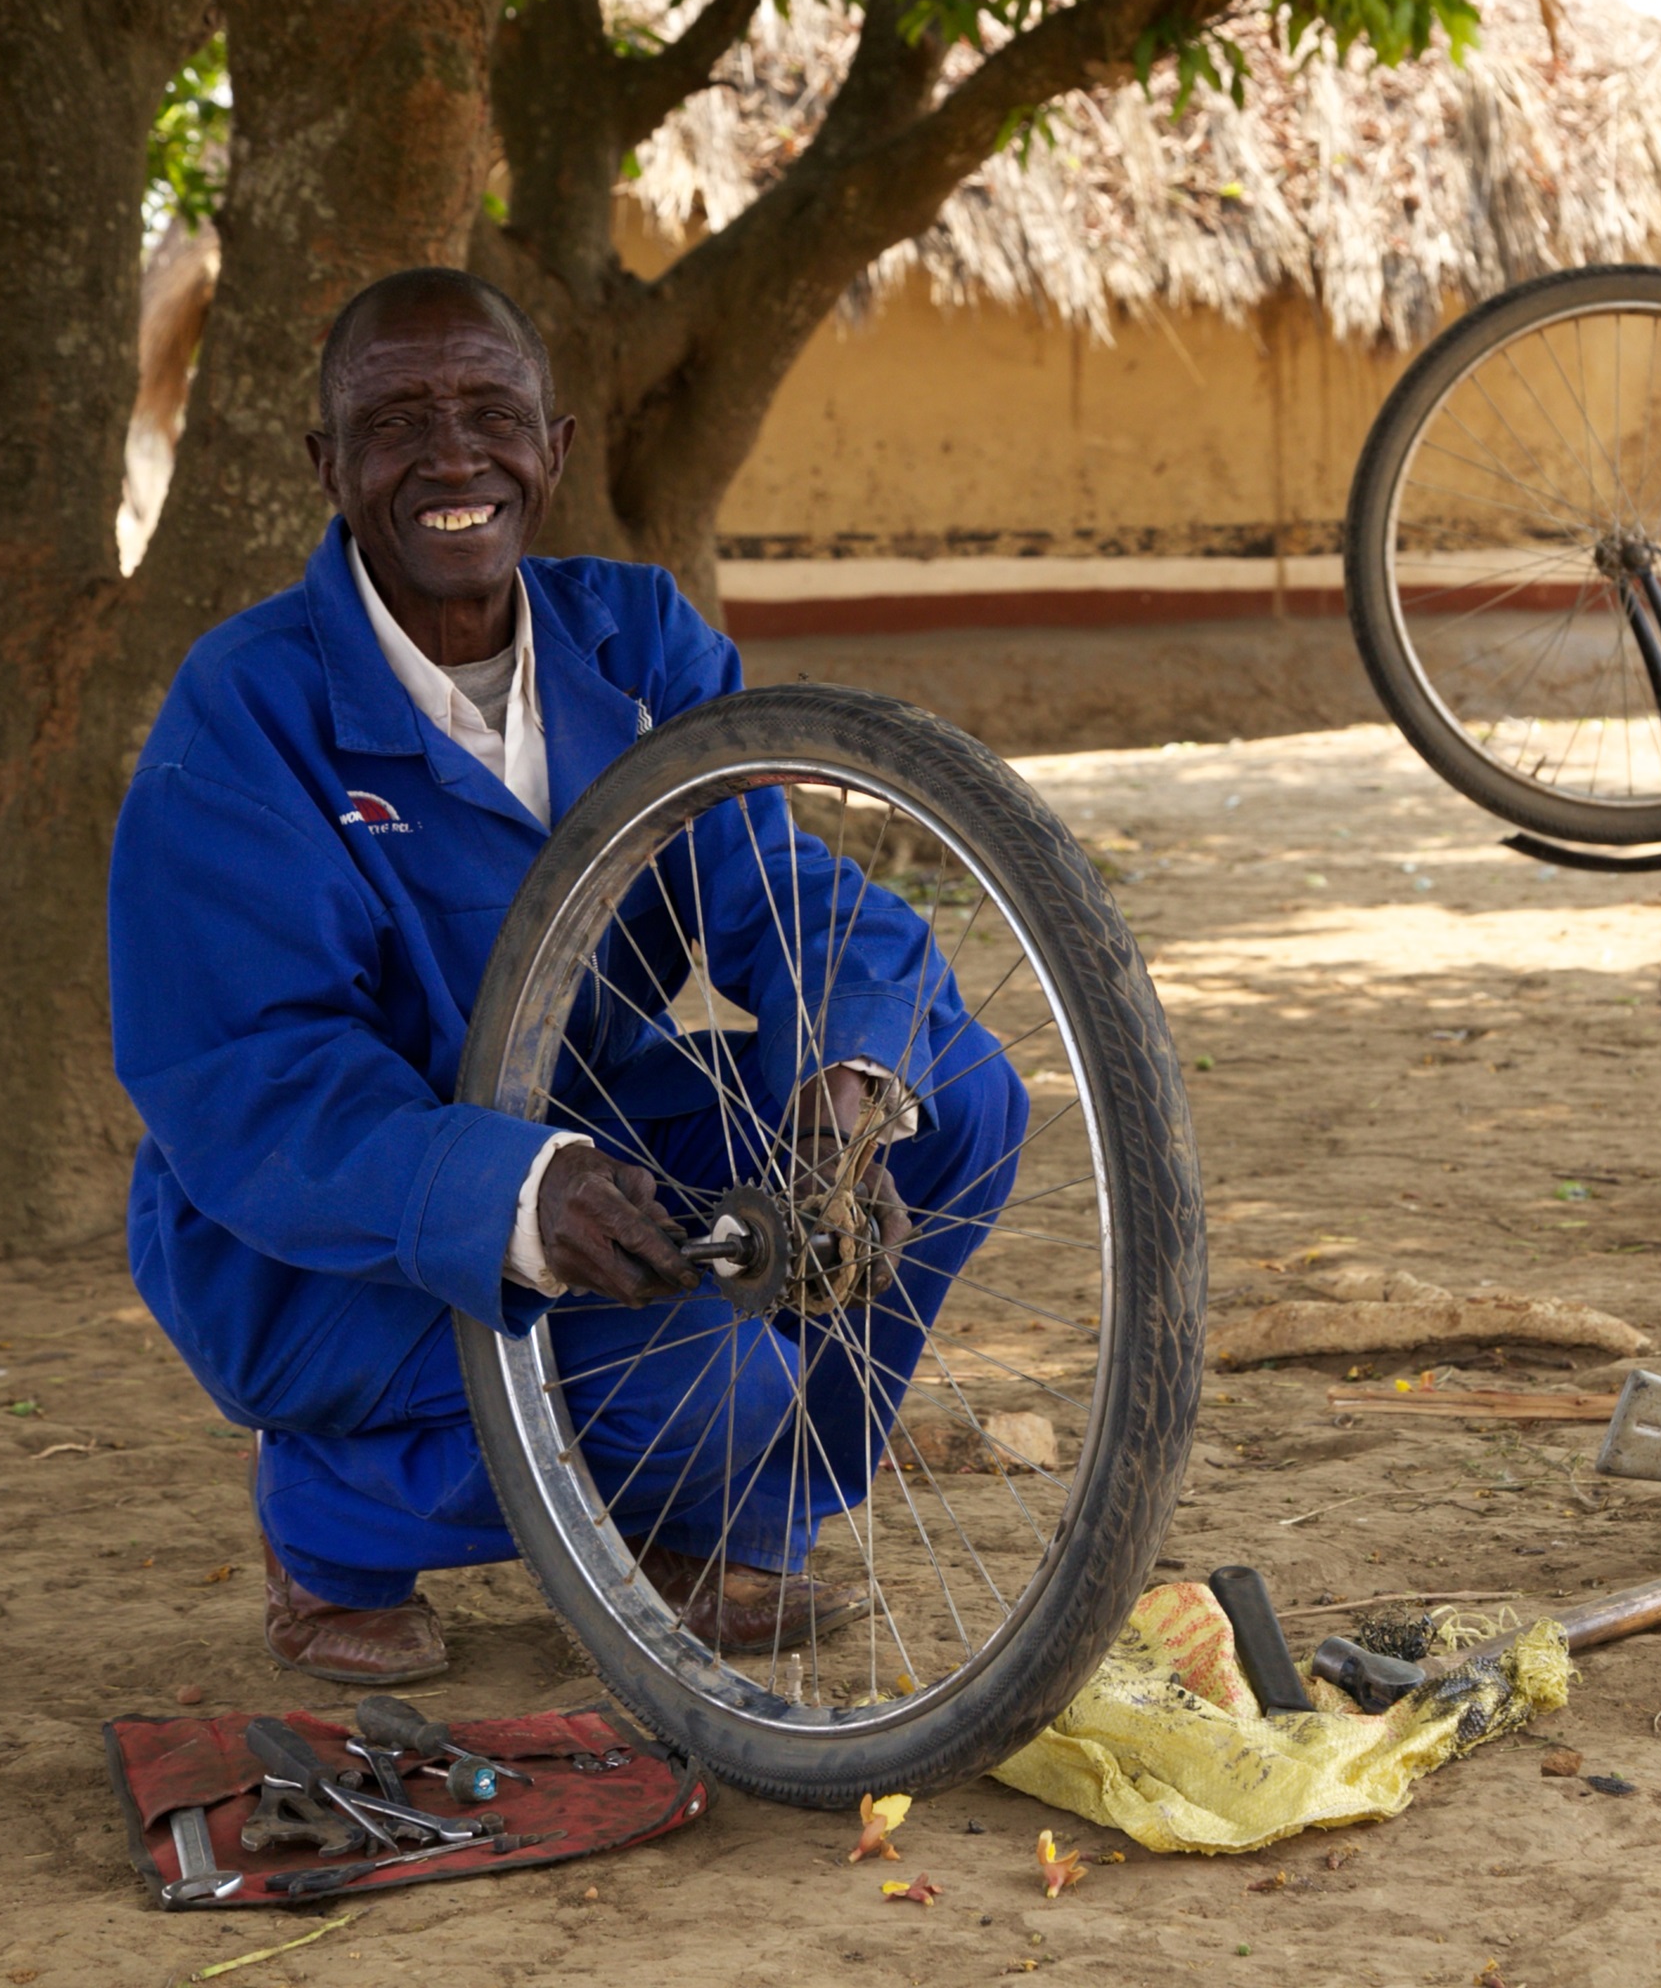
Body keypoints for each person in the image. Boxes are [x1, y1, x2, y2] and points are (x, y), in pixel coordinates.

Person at [109, 268, 1019, 1685]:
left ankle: (742, 1517)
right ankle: (330, 1522)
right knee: (720, 1372)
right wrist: (517, 1197)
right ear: (327, 464)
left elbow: (778, 894)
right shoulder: (244, 712)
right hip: (312, 1238)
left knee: (949, 1093)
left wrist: (849, 1076)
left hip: (589, 1139)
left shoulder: (639, 645)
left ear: (558, 446)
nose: (454, 456)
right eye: (397, 420)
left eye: (492, 413)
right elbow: (254, 1076)